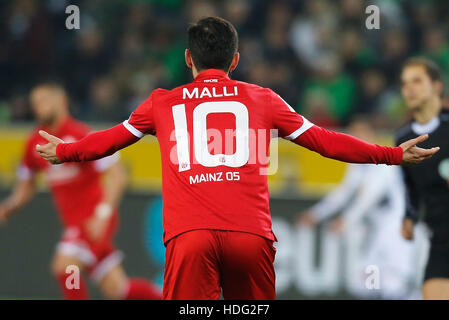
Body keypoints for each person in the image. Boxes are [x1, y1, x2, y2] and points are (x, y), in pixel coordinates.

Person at [35, 17, 438, 300]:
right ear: (235, 61)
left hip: (189, 238)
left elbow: (109, 141)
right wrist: (390, 154)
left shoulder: (161, 103)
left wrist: (65, 151)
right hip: (250, 238)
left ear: (189, 60)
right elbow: (324, 141)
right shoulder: (262, 98)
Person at [0, 83, 161, 300]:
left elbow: (116, 175)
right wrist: (8, 208)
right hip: (76, 223)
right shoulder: (33, 144)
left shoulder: (81, 135)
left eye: (45, 100)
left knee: (65, 266)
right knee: (117, 289)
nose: (39, 106)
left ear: (62, 101)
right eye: (35, 102)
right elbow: (26, 186)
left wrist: (103, 213)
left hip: (93, 219)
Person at [299, 118, 417, 299]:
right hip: (377, 228)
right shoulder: (357, 162)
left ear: (372, 135)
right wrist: (317, 214)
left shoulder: (386, 161)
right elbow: (344, 192)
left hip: (396, 228)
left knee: (393, 283)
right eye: (354, 133)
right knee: (367, 281)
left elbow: (369, 197)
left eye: (362, 132)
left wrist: (346, 220)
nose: (357, 137)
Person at [396, 57, 449, 300]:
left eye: (417, 81)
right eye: (405, 83)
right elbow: (411, 187)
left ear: (436, 86)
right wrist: (409, 215)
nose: (409, 88)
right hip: (440, 238)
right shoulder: (403, 139)